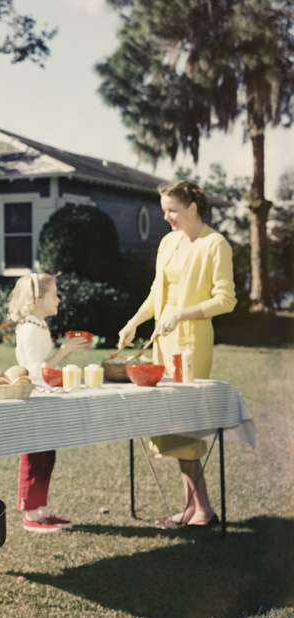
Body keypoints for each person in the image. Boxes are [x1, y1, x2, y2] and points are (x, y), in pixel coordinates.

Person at [117, 180, 236, 528]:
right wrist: (134, 322)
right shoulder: (168, 242)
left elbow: (225, 299)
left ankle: (204, 509)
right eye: (164, 209)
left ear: (193, 207)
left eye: (172, 210)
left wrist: (182, 313)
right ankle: (193, 507)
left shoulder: (216, 244)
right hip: (162, 343)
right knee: (169, 423)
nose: (166, 216)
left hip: (192, 345)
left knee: (185, 426)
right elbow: (158, 292)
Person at [7, 273, 90, 533]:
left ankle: (41, 510)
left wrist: (64, 353)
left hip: (43, 399)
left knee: (46, 455)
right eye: (54, 294)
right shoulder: (30, 329)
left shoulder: (39, 326)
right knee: (33, 456)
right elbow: (35, 372)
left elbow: (45, 367)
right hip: (33, 401)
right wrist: (64, 350)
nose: (59, 298)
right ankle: (30, 514)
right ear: (37, 299)